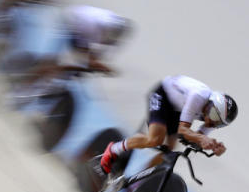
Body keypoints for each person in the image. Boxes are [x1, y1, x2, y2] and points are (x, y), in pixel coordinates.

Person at [98, 75, 238, 177]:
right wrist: (201, 139)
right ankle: (114, 149)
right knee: (155, 139)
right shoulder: (199, 96)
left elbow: (195, 139)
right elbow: (183, 130)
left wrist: (213, 146)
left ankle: (139, 180)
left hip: (177, 109)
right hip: (163, 95)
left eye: (218, 123)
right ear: (210, 103)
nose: (212, 123)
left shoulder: (213, 118)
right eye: (213, 116)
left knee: (168, 152)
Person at [6, 5, 132, 107]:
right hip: (72, 23)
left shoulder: (116, 35)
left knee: (76, 66)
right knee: (58, 63)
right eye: (106, 36)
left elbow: (99, 57)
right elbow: (85, 56)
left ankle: (46, 87)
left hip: (83, 28)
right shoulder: (96, 27)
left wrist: (97, 65)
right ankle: (21, 90)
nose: (107, 40)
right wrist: (98, 66)